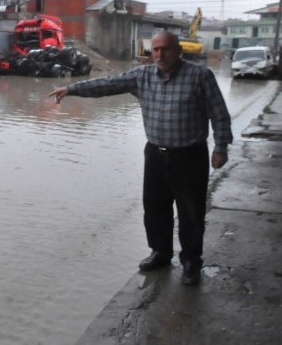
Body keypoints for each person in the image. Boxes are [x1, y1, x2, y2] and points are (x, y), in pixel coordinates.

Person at [49, 31, 232, 285]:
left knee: (191, 212)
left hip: (189, 156)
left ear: (178, 51)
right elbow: (107, 85)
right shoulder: (142, 76)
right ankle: (161, 252)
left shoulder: (200, 76)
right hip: (156, 154)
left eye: (165, 49)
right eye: (155, 50)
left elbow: (219, 114)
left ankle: (191, 261)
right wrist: (70, 89)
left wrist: (220, 147)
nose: (159, 54)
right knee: (155, 208)